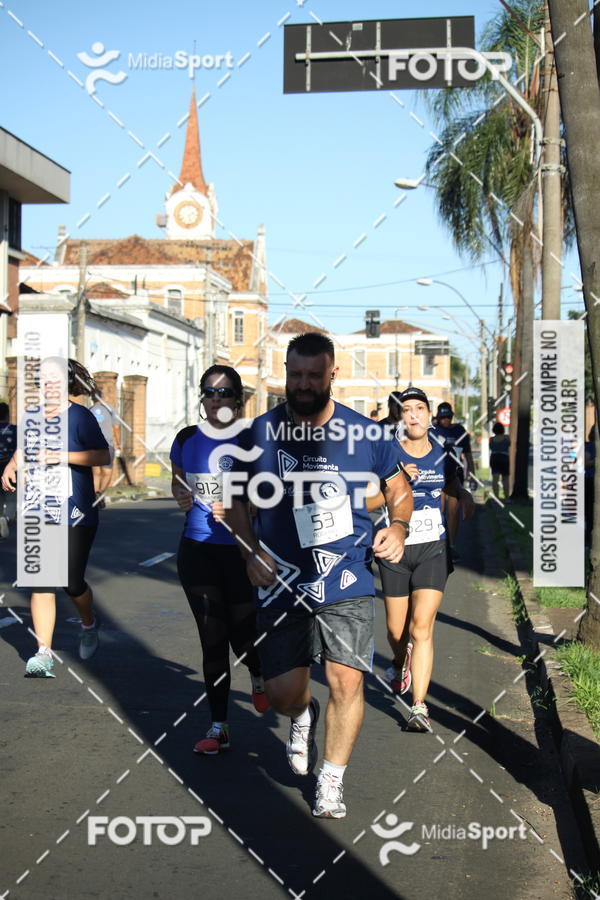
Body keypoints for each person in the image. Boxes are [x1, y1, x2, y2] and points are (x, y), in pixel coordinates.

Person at [225, 332, 412, 818]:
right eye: (295, 375)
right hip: (281, 579)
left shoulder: (366, 435)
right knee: (285, 694)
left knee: (347, 682)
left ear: (333, 375)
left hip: (346, 579)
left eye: (313, 375)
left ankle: (331, 780)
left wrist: (398, 525)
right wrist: (249, 551)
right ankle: (303, 715)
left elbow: (399, 488)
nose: (303, 384)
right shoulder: (260, 434)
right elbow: (236, 503)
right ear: (286, 372)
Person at [170, 365, 269, 757]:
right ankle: (219, 726)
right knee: (213, 638)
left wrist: (240, 508)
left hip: (240, 553)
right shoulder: (186, 438)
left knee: (243, 639)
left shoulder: (251, 442)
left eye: (225, 393)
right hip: (197, 551)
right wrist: (181, 495)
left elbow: (268, 500)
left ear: (237, 399)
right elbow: (180, 479)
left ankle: (258, 673)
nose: (216, 399)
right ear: (202, 397)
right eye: (209, 392)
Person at [371, 387, 474, 732]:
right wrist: (396, 484)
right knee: (396, 631)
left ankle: (418, 706)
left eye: (419, 408)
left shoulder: (445, 454)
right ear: (400, 417)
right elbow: (369, 500)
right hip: (395, 551)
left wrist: (465, 499)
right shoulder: (388, 452)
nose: (413, 415)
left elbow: (458, 491)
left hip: (433, 547)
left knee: (422, 627)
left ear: (429, 415)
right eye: (407, 410)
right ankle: (401, 662)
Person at [1, 358, 109, 677]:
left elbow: (102, 455)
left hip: (75, 511)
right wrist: (11, 465)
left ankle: (89, 623)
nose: (48, 385)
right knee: (42, 581)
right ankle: (43, 653)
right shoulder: (32, 416)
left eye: (55, 379)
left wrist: (61, 456)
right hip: (38, 510)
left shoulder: (80, 417)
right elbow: (24, 448)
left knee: (70, 582)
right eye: (43, 379)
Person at [430, 402, 474, 559]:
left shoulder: (459, 431)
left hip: (454, 474)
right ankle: (439, 544)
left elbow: (468, 454)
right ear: (438, 417)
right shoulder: (432, 430)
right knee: (438, 511)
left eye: (448, 417)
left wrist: (472, 473)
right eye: (443, 417)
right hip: (437, 475)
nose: (446, 420)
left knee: (453, 512)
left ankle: (452, 545)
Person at [90, 389, 122, 508]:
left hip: (92, 445)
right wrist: (119, 443)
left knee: (96, 472)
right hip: (107, 444)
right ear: (102, 397)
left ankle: (95, 495)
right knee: (107, 472)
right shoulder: (110, 409)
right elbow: (116, 427)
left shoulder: (89, 410)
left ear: (92, 398)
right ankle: (101, 492)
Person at [0, 402, 17, 538]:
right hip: (9, 466)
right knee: (11, 496)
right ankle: (6, 518)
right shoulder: (15, 429)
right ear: (7, 415)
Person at [489, 422, 510, 502]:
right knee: (505, 478)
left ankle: (496, 497)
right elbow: (509, 444)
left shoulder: (491, 439)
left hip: (494, 458)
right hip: (504, 458)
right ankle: (507, 498)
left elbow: (490, 447)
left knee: (495, 478)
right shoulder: (507, 438)